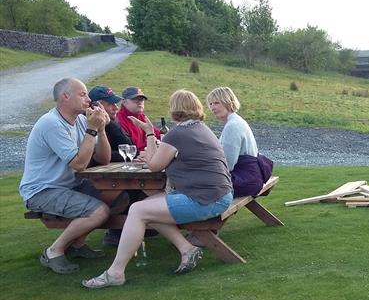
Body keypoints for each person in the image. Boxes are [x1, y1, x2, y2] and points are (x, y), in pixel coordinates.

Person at [82, 90, 233, 289]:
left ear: (175, 108)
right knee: (145, 206)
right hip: (217, 194)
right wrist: (151, 133)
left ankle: (115, 273)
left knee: (137, 211)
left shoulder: (178, 133)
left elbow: (153, 166)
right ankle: (186, 249)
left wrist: (150, 136)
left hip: (205, 198)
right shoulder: (199, 128)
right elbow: (157, 162)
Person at [19, 77, 112, 274]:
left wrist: (101, 129)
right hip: (42, 190)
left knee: (115, 196)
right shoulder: (51, 123)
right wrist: (92, 129)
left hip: (68, 185)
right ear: (65, 97)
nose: (89, 99)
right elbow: (79, 164)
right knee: (99, 211)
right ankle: (54, 251)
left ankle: (77, 244)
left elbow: (104, 159)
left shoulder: (80, 120)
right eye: (83, 94)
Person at [207, 87, 273, 196]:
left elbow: (227, 164)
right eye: (210, 104)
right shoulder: (235, 121)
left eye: (216, 103)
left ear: (228, 102)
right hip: (251, 177)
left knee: (197, 185)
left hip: (245, 180)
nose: (213, 107)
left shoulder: (233, 126)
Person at [116, 86, 160, 152]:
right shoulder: (118, 119)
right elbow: (129, 147)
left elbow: (159, 135)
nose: (139, 102)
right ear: (124, 102)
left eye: (141, 99)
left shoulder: (142, 116)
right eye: (134, 99)